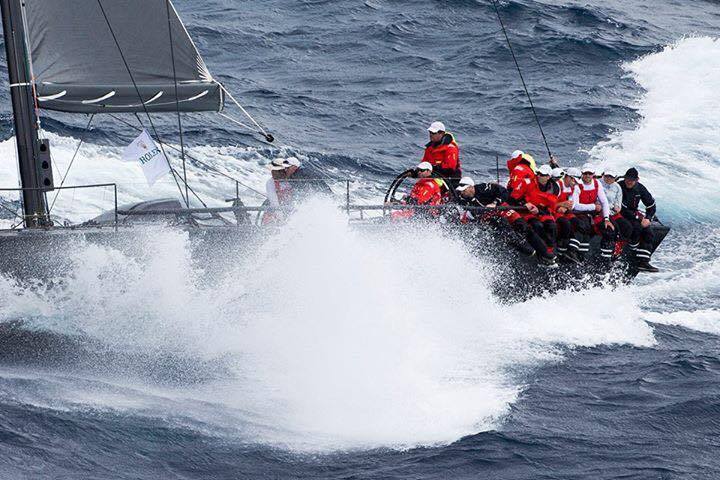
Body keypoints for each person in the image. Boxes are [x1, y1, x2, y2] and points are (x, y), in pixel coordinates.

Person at [567, 163, 615, 262]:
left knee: (609, 229)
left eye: (590, 173)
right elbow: (575, 206)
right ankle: (572, 252)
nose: (588, 176)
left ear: (593, 174)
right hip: (578, 213)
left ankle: (606, 259)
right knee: (584, 226)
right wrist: (593, 206)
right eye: (585, 173)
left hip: (591, 214)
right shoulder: (577, 186)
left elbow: (604, 202)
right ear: (582, 173)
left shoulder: (597, 184)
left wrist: (606, 219)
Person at [616, 167, 658, 272]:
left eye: (632, 180)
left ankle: (643, 262)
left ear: (637, 180)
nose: (629, 181)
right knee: (636, 228)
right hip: (621, 213)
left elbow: (651, 205)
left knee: (649, 232)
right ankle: (631, 251)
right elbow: (622, 208)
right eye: (627, 179)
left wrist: (648, 218)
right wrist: (638, 218)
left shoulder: (640, 188)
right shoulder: (619, 186)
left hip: (634, 214)